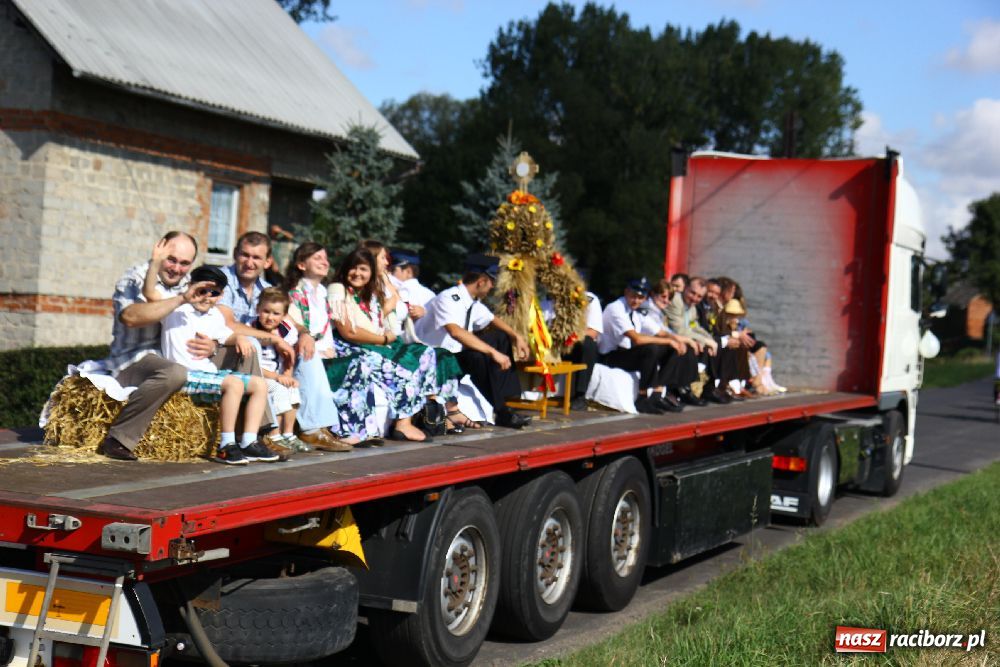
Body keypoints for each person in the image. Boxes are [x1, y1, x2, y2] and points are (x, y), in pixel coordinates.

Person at [98, 232, 221, 461]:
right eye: (171, 260)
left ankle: (252, 436)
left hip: (177, 355)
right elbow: (131, 317)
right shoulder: (135, 277)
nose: (176, 268)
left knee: (243, 348)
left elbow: (220, 316)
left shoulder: (189, 282)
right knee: (174, 372)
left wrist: (214, 344)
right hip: (134, 359)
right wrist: (181, 299)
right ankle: (119, 438)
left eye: (185, 263)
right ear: (159, 251)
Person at [218, 232, 345, 452]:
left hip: (258, 355)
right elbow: (228, 324)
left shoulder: (264, 288)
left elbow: (291, 322)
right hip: (224, 349)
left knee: (306, 349)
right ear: (235, 254)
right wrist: (274, 339)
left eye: (256, 258)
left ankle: (313, 428)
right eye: (244, 255)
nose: (249, 262)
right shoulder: (222, 281)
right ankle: (266, 432)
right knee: (253, 344)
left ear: (267, 261)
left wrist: (304, 333)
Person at [327, 248, 470, 441]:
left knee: (429, 354)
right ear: (344, 270)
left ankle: (433, 413)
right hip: (350, 345)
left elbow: (383, 316)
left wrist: (384, 280)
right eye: (353, 268)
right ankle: (403, 424)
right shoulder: (338, 289)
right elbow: (348, 332)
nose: (358, 273)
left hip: (374, 343)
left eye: (364, 269)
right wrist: (384, 339)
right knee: (404, 367)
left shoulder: (367, 294)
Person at [160, 265, 278, 464]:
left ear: (221, 295)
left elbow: (226, 335)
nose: (207, 296)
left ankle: (248, 442)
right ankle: (226, 445)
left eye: (213, 292)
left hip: (208, 375)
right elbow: (156, 296)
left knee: (260, 384)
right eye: (202, 290)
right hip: (185, 375)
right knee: (234, 383)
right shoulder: (176, 309)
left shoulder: (213, 315)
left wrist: (239, 337)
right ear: (190, 287)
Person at [416, 254, 533, 429]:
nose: (492, 287)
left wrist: (516, 336)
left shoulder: (471, 303)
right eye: (491, 282)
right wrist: (493, 352)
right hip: (433, 359)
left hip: (452, 358)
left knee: (500, 337)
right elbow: (455, 332)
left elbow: (491, 318)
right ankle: (503, 412)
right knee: (480, 356)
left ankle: (508, 404)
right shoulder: (449, 298)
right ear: (481, 281)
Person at [284, 243, 356, 450]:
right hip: (305, 348)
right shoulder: (294, 292)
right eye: (317, 258)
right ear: (300, 264)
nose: (324, 262)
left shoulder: (327, 293)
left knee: (360, 361)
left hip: (328, 349)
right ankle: (313, 429)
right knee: (310, 356)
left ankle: (345, 427)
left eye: (325, 258)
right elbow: (295, 326)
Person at [598, 278, 698, 414]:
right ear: (626, 291)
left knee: (672, 348)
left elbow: (660, 331)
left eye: (641, 297)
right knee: (650, 349)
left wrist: (683, 340)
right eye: (634, 295)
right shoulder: (616, 308)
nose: (637, 300)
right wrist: (669, 341)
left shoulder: (635, 311)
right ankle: (642, 397)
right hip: (610, 356)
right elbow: (637, 339)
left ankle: (657, 393)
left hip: (626, 353)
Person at [253, 287, 310, 452]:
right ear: (258, 309)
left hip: (277, 374)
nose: (270, 317)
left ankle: (288, 433)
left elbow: (288, 357)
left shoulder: (286, 331)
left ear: (284, 315)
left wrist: (287, 375)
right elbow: (254, 365)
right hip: (260, 375)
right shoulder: (252, 328)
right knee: (277, 390)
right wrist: (277, 377)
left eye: (276, 313)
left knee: (292, 388)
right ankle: (273, 435)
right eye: (266, 311)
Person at [665, 277, 732, 404]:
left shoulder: (691, 306)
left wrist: (709, 339)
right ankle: (684, 388)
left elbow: (695, 327)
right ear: (685, 288)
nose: (695, 298)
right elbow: (679, 329)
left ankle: (710, 386)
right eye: (692, 293)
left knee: (717, 345)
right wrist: (705, 341)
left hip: (681, 338)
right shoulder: (676, 301)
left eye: (699, 296)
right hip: (669, 338)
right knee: (692, 347)